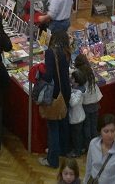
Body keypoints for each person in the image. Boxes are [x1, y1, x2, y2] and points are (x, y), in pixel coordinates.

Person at [39, 31, 71, 169]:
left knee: (53, 127)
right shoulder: (66, 51)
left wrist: (39, 71)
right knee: (63, 121)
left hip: (55, 92)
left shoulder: (51, 52)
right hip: (65, 91)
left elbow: (49, 75)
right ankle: (63, 150)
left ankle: (52, 159)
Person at [83, 114, 115, 184]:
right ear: (100, 131)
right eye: (106, 131)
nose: (110, 135)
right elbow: (89, 168)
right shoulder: (93, 144)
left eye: (112, 131)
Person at [74, 54, 101, 148]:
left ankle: (89, 145)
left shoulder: (78, 73)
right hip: (94, 101)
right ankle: (96, 143)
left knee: (87, 126)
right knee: (94, 125)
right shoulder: (90, 71)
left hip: (85, 103)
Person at [68, 70, 86, 157]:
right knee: (77, 135)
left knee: (76, 136)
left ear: (76, 81)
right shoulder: (78, 89)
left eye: (72, 78)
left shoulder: (78, 92)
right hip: (77, 116)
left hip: (77, 117)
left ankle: (77, 151)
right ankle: (80, 148)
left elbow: (73, 103)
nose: (70, 79)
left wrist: (70, 92)